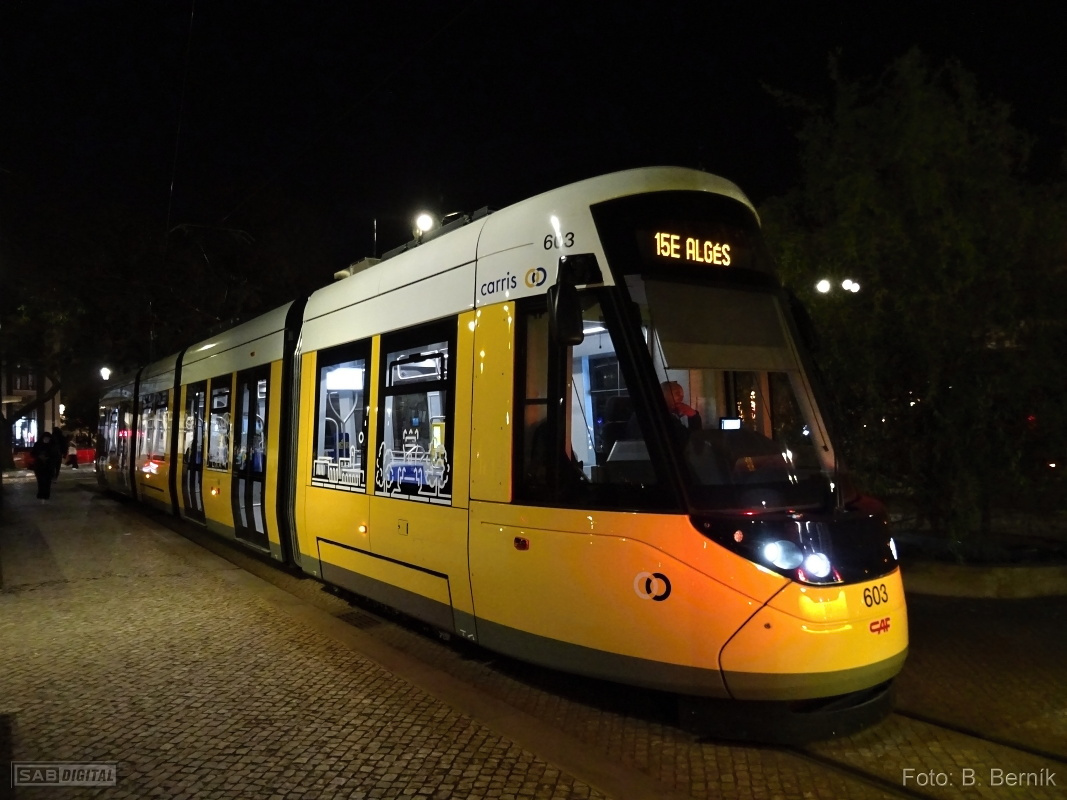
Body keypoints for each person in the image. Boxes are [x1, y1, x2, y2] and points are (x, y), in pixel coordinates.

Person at [31, 431, 55, 500]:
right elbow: (33, 453)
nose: (46, 439)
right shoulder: (38, 444)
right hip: (39, 465)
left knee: (48, 481)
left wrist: (48, 457)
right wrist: (39, 456)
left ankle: (46, 494)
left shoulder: (52, 445)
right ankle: (41, 493)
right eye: (45, 438)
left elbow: (55, 454)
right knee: (40, 480)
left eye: (48, 438)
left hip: (49, 465)